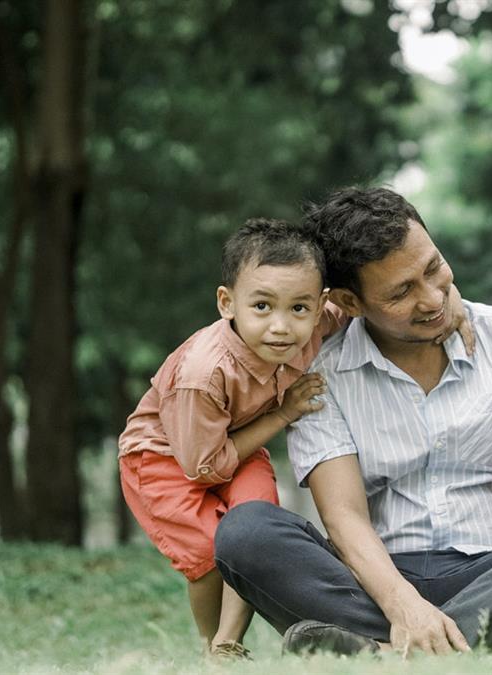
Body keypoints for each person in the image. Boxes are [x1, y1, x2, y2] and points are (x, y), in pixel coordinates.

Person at [213, 187, 492, 657]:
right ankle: (488, 645)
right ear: (348, 301)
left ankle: (380, 653)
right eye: (402, 292)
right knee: (246, 531)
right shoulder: (323, 378)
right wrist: (404, 606)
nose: (432, 298)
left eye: (433, 268)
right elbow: (344, 518)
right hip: (380, 583)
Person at [118, 218, 340, 659]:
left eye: (299, 308)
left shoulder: (318, 322)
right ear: (227, 302)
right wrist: (286, 411)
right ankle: (211, 648)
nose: (281, 327)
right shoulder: (204, 374)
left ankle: (227, 644)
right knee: (207, 555)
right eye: (262, 306)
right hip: (166, 458)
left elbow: (369, 303)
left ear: (320, 306)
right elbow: (202, 467)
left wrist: (454, 313)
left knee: (255, 530)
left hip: (235, 445)